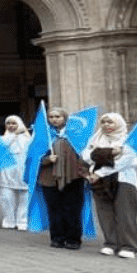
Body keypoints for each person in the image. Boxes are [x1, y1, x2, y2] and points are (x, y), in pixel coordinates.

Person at [82, 112, 137, 259]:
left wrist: (100, 171)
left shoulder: (127, 139)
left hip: (123, 180)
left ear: (118, 123)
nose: (106, 125)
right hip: (100, 182)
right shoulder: (96, 138)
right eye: (104, 122)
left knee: (125, 214)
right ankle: (111, 243)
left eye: (110, 122)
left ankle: (129, 246)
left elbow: (126, 160)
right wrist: (111, 152)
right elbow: (86, 155)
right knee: (105, 213)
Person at [38, 106, 86, 250]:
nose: (54, 119)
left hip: (73, 177)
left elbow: (85, 154)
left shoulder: (75, 134)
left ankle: (73, 239)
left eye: (57, 116)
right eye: (51, 117)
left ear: (65, 118)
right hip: (49, 179)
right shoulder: (44, 135)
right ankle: (57, 237)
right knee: (54, 209)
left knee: (72, 209)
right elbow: (33, 158)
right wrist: (47, 159)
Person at [0, 115, 31, 230]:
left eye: (14, 123)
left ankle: (22, 221)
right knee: (6, 197)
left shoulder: (27, 139)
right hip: (7, 171)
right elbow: (1, 147)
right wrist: (15, 135)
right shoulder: (2, 138)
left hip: (23, 170)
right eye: (9, 123)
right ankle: (9, 220)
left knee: (24, 197)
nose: (11, 126)